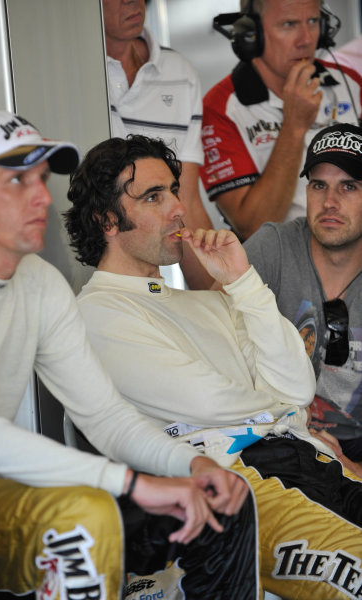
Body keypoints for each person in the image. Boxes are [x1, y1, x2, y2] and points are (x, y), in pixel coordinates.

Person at [0, 109, 254, 600]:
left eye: (41, 178)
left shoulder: (40, 284)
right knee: (87, 514)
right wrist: (131, 483)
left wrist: (192, 466)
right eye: (16, 181)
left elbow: (104, 416)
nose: (41, 196)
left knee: (219, 503)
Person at [65, 133, 362, 600]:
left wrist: (242, 280)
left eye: (174, 192)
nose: (179, 209)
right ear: (107, 220)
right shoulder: (96, 313)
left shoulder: (210, 303)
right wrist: (284, 414)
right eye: (153, 197)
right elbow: (211, 403)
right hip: (241, 479)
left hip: (311, 463)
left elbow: (297, 384)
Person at [244, 122, 362, 471]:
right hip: (276, 437)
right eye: (318, 185)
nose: (329, 202)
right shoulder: (273, 247)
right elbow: (215, 348)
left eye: (349, 187)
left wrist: (349, 469)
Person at [199, 0, 362, 240]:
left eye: (314, 21)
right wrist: (294, 127)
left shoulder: (349, 81)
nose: (306, 40)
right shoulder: (220, 108)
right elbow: (253, 228)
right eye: (289, 24)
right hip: (282, 267)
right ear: (250, 34)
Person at [103, 0, 216, 289]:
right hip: (90, 276)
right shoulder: (56, 69)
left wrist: (220, 304)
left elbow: (185, 202)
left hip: (152, 286)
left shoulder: (178, 71)